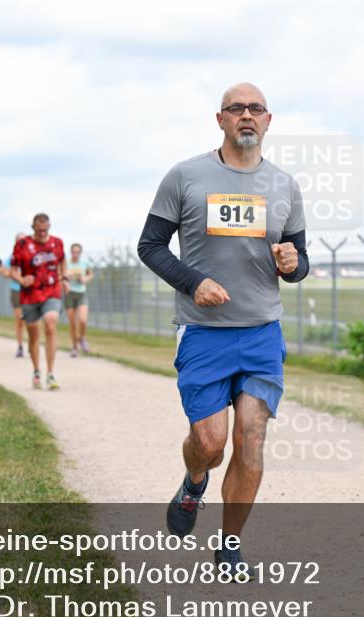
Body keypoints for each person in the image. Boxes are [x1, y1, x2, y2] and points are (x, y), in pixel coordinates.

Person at [138, 82, 309, 580]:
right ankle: (194, 482)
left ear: (269, 120)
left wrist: (294, 264)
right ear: (220, 119)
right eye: (237, 109)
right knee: (211, 443)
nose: (247, 116)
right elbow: (151, 246)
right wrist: (194, 283)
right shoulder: (186, 176)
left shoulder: (284, 186)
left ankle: (230, 545)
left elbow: (297, 263)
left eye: (256, 109)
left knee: (251, 440)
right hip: (204, 330)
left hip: (261, 332)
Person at [11, 214, 65, 389]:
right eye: (39, 230)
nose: (43, 233)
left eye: (45, 229)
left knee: (50, 323)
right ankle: (36, 371)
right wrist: (21, 280)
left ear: (49, 226)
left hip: (51, 290)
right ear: (33, 227)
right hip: (29, 294)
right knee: (34, 334)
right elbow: (13, 270)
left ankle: (50, 374)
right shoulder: (22, 245)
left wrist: (64, 278)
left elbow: (62, 262)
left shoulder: (57, 243)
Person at [64, 242, 93, 357]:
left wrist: (85, 279)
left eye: (77, 252)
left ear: (80, 253)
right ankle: (74, 347)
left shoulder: (84, 263)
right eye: (73, 251)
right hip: (69, 294)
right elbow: (60, 276)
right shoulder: (66, 263)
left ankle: (82, 338)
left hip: (81, 294)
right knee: (72, 324)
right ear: (71, 252)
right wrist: (66, 278)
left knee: (82, 320)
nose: (75, 254)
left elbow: (90, 274)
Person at [2, 233, 28, 358]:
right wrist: (14, 274)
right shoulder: (12, 258)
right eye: (19, 240)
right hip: (17, 290)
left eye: (24, 240)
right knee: (19, 321)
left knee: (32, 320)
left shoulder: (33, 255)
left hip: (31, 291)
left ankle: (32, 344)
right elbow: (6, 272)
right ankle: (20, 346)